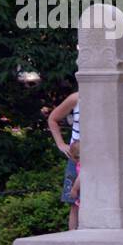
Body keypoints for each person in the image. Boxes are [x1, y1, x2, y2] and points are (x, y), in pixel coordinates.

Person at [46, 90, 80, 231]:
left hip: (102, 158)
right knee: (74, 202)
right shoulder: (76, 98)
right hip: (77, 157)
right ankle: (73, 238)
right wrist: (60, 144)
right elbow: (53, 118)